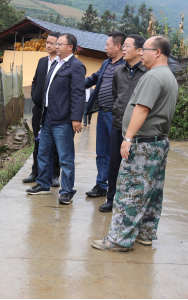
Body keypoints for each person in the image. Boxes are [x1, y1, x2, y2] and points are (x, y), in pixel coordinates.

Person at [91, 36, 178, 251]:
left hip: (144, 143)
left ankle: (119, 239)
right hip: (158, 143)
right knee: (152, 191)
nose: (141, 53)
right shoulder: (169, 76)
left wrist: (128, 137)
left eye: (145, 50)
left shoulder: (153, 77)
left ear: (157, 52)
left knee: (130, 191)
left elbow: (142, 109)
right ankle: (145, 233)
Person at [26, 33, 86, 205]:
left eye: (60, 44)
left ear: (70, 47)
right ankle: (43, 184)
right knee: (43, 154)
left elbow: (78, 93)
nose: (56, 46)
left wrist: (76, 118)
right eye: (56, 43)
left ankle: (67, 191)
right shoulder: (55, 64)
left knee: (65, 158)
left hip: (63, 120)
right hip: (47, 118)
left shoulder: (76, 66)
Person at [99, 34, 147, 213]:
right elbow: (115, 94)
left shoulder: (147, 73)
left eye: (128, 46)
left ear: (139, 50)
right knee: (114, 164)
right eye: (123, 45)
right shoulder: (119, 71)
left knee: (134, 167)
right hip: (118, 123)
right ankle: (111, 199)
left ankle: (131, 203)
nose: (124, 49)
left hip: (139, 129)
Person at [84, 31, 126, 198]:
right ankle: (101, 185)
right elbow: (94, 78)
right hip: (102, 114)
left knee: (116, 153)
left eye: (107, 45)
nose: (105, 47)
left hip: (116, 116)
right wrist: (75, 83)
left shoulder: (125, 66)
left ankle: (117, 188)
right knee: (101, 152)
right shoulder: (106, 63)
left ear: (118, 46)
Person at [22, 32, 61, 187]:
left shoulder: (62, 63)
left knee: (55, 143)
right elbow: (35, 80)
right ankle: (35, 171)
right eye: (47, 42)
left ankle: (54, 175)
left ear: (59, 45)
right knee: (37, 141)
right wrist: (34, 95)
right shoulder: (42, 61)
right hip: (39, 109)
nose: (47, 45)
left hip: (55, 111)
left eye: (51, 43)